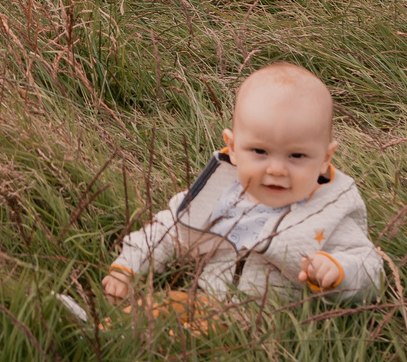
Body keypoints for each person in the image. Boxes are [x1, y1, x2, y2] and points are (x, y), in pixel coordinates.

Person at [101, 64, 383, 311]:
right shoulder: (224, 194)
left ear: (325, 158)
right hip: (209, 303)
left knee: (165, 314)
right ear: (233, 148)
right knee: (162, 311)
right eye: (260, 151)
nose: (276, 169)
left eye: (297, 156)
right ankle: (88, 329)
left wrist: (338, 271)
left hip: (270, 321)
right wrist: (129, 266)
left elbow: (371, 270)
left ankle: (100, 332)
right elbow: (171, 230)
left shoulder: (329, 209)